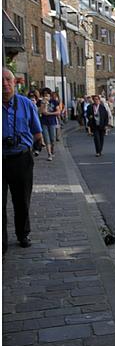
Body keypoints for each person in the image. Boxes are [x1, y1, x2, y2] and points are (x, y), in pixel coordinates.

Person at [3, 68, 43, 253]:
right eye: (1, 80)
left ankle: (23, 234)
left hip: (21, 158)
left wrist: (38, 146)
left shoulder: (26, 104)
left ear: (14, 82)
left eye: (8, 79)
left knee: (22, 201)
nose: (5, 84)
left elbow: (36, 130)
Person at [37, 89, 60, 162]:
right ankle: (49, 154)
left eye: (47, 96)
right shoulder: (42, 102)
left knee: (52, 139)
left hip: (52, 122)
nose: (46, 97)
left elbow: (58, 111)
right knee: (47, 139)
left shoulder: (54, 102)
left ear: (50, 96)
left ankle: (52, 150)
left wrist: (49, 114)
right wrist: (44, 104)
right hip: (44, 123)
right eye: (45, 96)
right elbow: (40, 112)